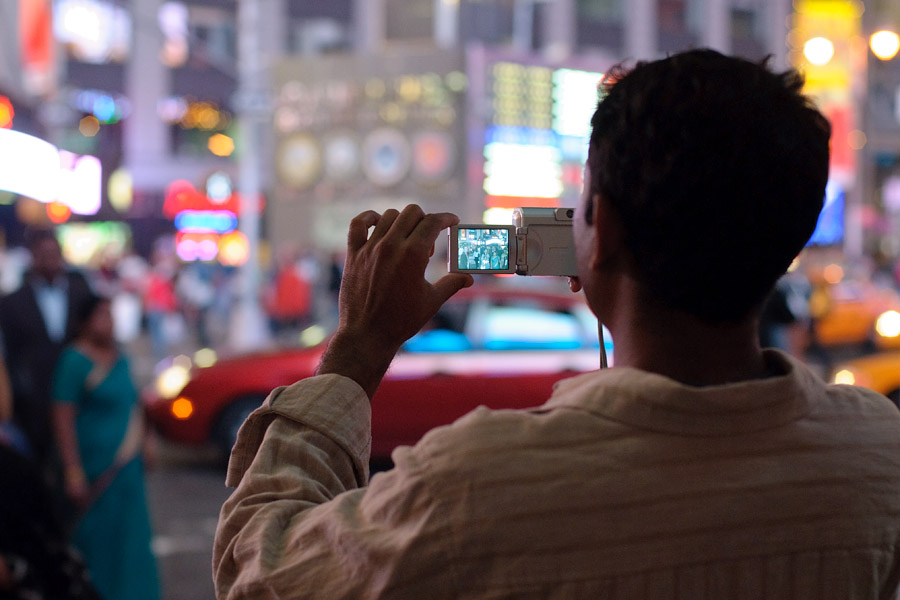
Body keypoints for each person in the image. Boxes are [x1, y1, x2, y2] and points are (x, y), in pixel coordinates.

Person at [213, 50, 900, 598]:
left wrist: (356, 352)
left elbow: (260, 574)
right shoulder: (879, 452)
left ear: (604, 232)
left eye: (582, 206)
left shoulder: (474, 486)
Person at [51, 295, 160, 600]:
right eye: (101, 315)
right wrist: (73, 471)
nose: (109, 321)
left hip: (127, 468)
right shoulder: (74, 361)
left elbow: (134, 403)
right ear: (84, 322)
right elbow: (62, 417)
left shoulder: (120, 358)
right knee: (97, 542)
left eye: (111, 315)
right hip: (93, 468)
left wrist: (147, 443)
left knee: (131, 542)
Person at [0, 230, 93, 474]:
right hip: (31, 405)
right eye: (44, 255)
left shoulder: (81, 294)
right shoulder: (12, 303)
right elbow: (9, 357)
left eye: (54, 254)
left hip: (77, 402)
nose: (50, 260)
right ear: (33, 257)